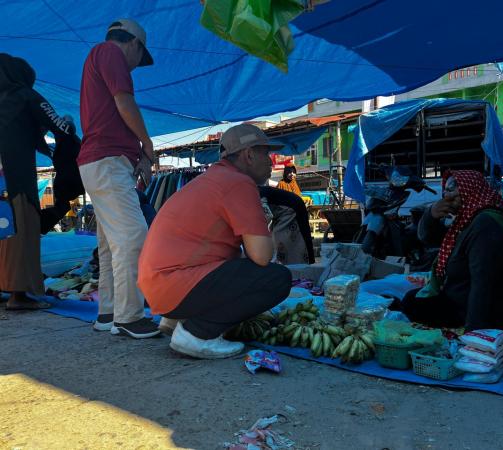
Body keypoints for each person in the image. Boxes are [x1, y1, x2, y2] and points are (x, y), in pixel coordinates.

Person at [138, 124, 292, 359]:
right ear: (249, 155)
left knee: (241, 268)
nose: (271, 162)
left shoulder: (211, 179)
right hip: (175, 284)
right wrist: (263, 222)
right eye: (265, 154)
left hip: (158, 286)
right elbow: (261, 256)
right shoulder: (238, 183)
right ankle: (197, 334)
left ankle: (177, 320)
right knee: (276, 278)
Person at [77, 19, 159, 338]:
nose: (138, 65)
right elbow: (124, 102)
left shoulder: (99, 57)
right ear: (134, 44)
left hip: (104, 160)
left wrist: (138, 155)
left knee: (112, 243)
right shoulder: (110, 52)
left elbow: (117, 114)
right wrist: (148, 145)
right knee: (133, 235)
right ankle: (129, 317)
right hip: (106, 160)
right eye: (141, 56)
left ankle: (109, 311)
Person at [391, 170, 503, 332]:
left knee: (411, 303)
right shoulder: (468, 219)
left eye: (452, 190)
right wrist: (431, 215)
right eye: (446, 191)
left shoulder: (486, 224)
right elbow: (429, 239)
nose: (447, 196)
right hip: (461, 300)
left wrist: (474, 335)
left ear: (470, 190)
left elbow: (483, 284)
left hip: (488, 315)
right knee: (411, 299)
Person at [0, 53, 77, 310]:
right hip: (17, 180)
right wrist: (69, 123)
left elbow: (18, 131)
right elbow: (58, 126)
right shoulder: (26, 95)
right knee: (21, 232)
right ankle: (18, 296)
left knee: (3, 234)